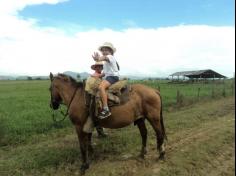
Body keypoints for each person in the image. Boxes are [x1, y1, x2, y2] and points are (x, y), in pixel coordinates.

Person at [92, 42, 119, 119]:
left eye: (106, 50)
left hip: (112, 77)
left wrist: (98, 59)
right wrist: (97, 76)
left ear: (111, 51)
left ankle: (106, 109)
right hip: (108, 77)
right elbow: (105, 73)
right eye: (103, 50)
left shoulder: (110, 57)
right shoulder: (107, 62)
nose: (104, 52)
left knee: (101, 87)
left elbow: (104, 58)